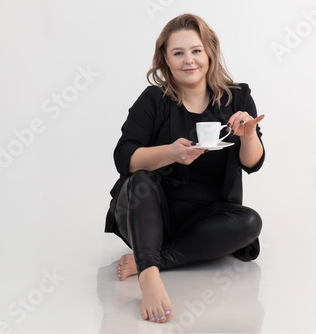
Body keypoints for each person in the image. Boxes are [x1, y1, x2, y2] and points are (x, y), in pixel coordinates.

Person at [104, 13, 265, 323]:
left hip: (204, 219)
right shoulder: (154, 100)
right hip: (148, 214)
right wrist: (169, 153)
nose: (188, 60)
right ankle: (149, 276)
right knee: (140, 180)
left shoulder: (237, 97)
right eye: (178, 53)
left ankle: (153, 259)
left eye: (195, 51)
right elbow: (124, 157)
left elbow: (253, 163)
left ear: (209, 53)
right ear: (165, 58)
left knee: (250, 223)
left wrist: (248, 136)